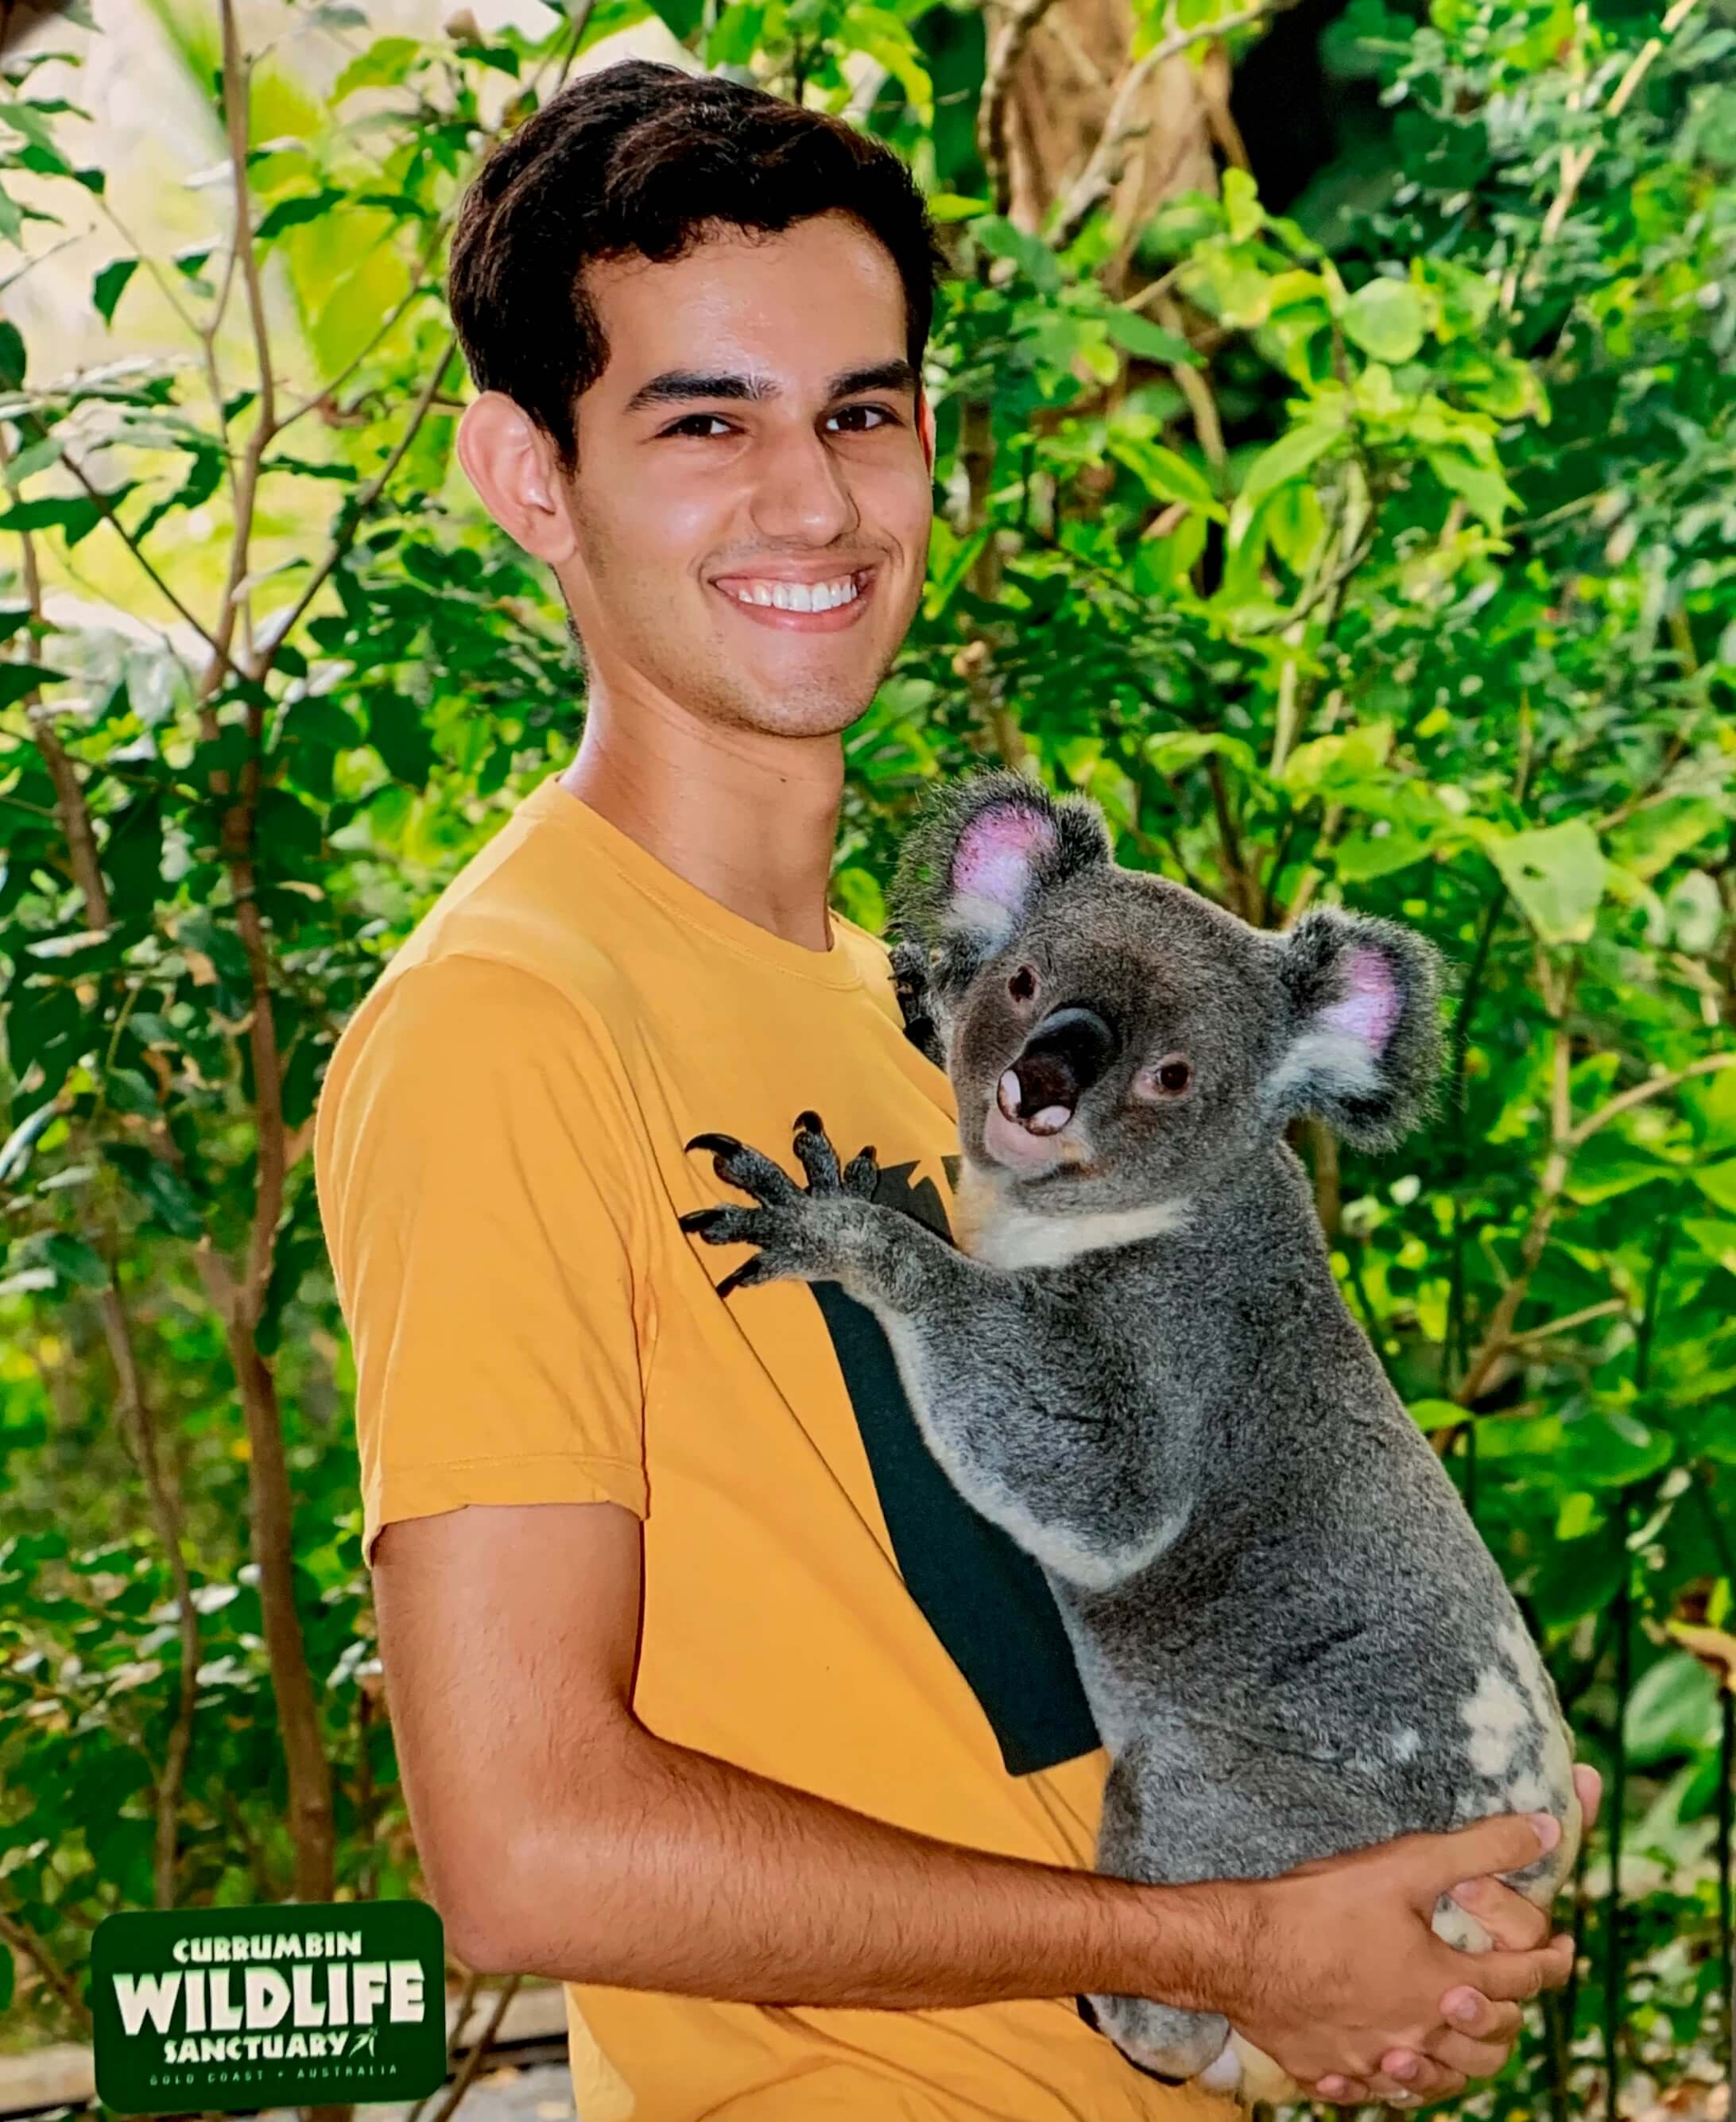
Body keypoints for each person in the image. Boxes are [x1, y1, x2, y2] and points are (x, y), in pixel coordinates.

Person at [312, 56, 1597, 2122]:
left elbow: (1069, 1614)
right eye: (702, 421)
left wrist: (1407, 1846)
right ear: (527, 474)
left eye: (863, 413)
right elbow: (522, 1844)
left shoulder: (924, 1026)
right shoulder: (509, 1023)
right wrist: (1223, 1947)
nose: (811, 502)